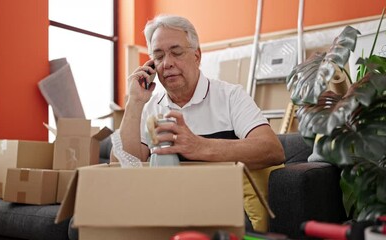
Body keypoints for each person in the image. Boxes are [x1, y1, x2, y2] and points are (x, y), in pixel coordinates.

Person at [112, 14, 284, 170]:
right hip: (163, 200)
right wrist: (134, 102)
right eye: (158, 56)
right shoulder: (147, 107)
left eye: (176, 52)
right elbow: (122, 167)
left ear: (196, 56)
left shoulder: (231, 96)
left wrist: (198, 146)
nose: (167, 63)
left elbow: (272, 150)